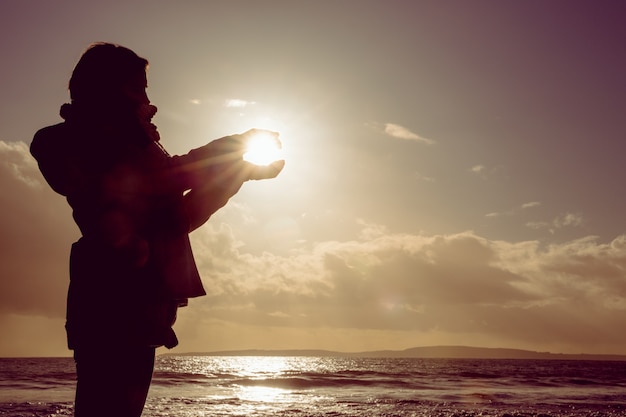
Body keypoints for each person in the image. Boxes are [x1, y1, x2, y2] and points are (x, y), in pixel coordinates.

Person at [30, 42, 284, 417]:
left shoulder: (138, 146)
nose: (147, 99)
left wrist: (237, 173)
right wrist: (231, 149)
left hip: (146, 299)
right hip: (107, 296)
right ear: (104, 88)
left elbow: (178, 217)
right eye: (136, 88)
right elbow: (154, 181)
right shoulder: (61, 140)